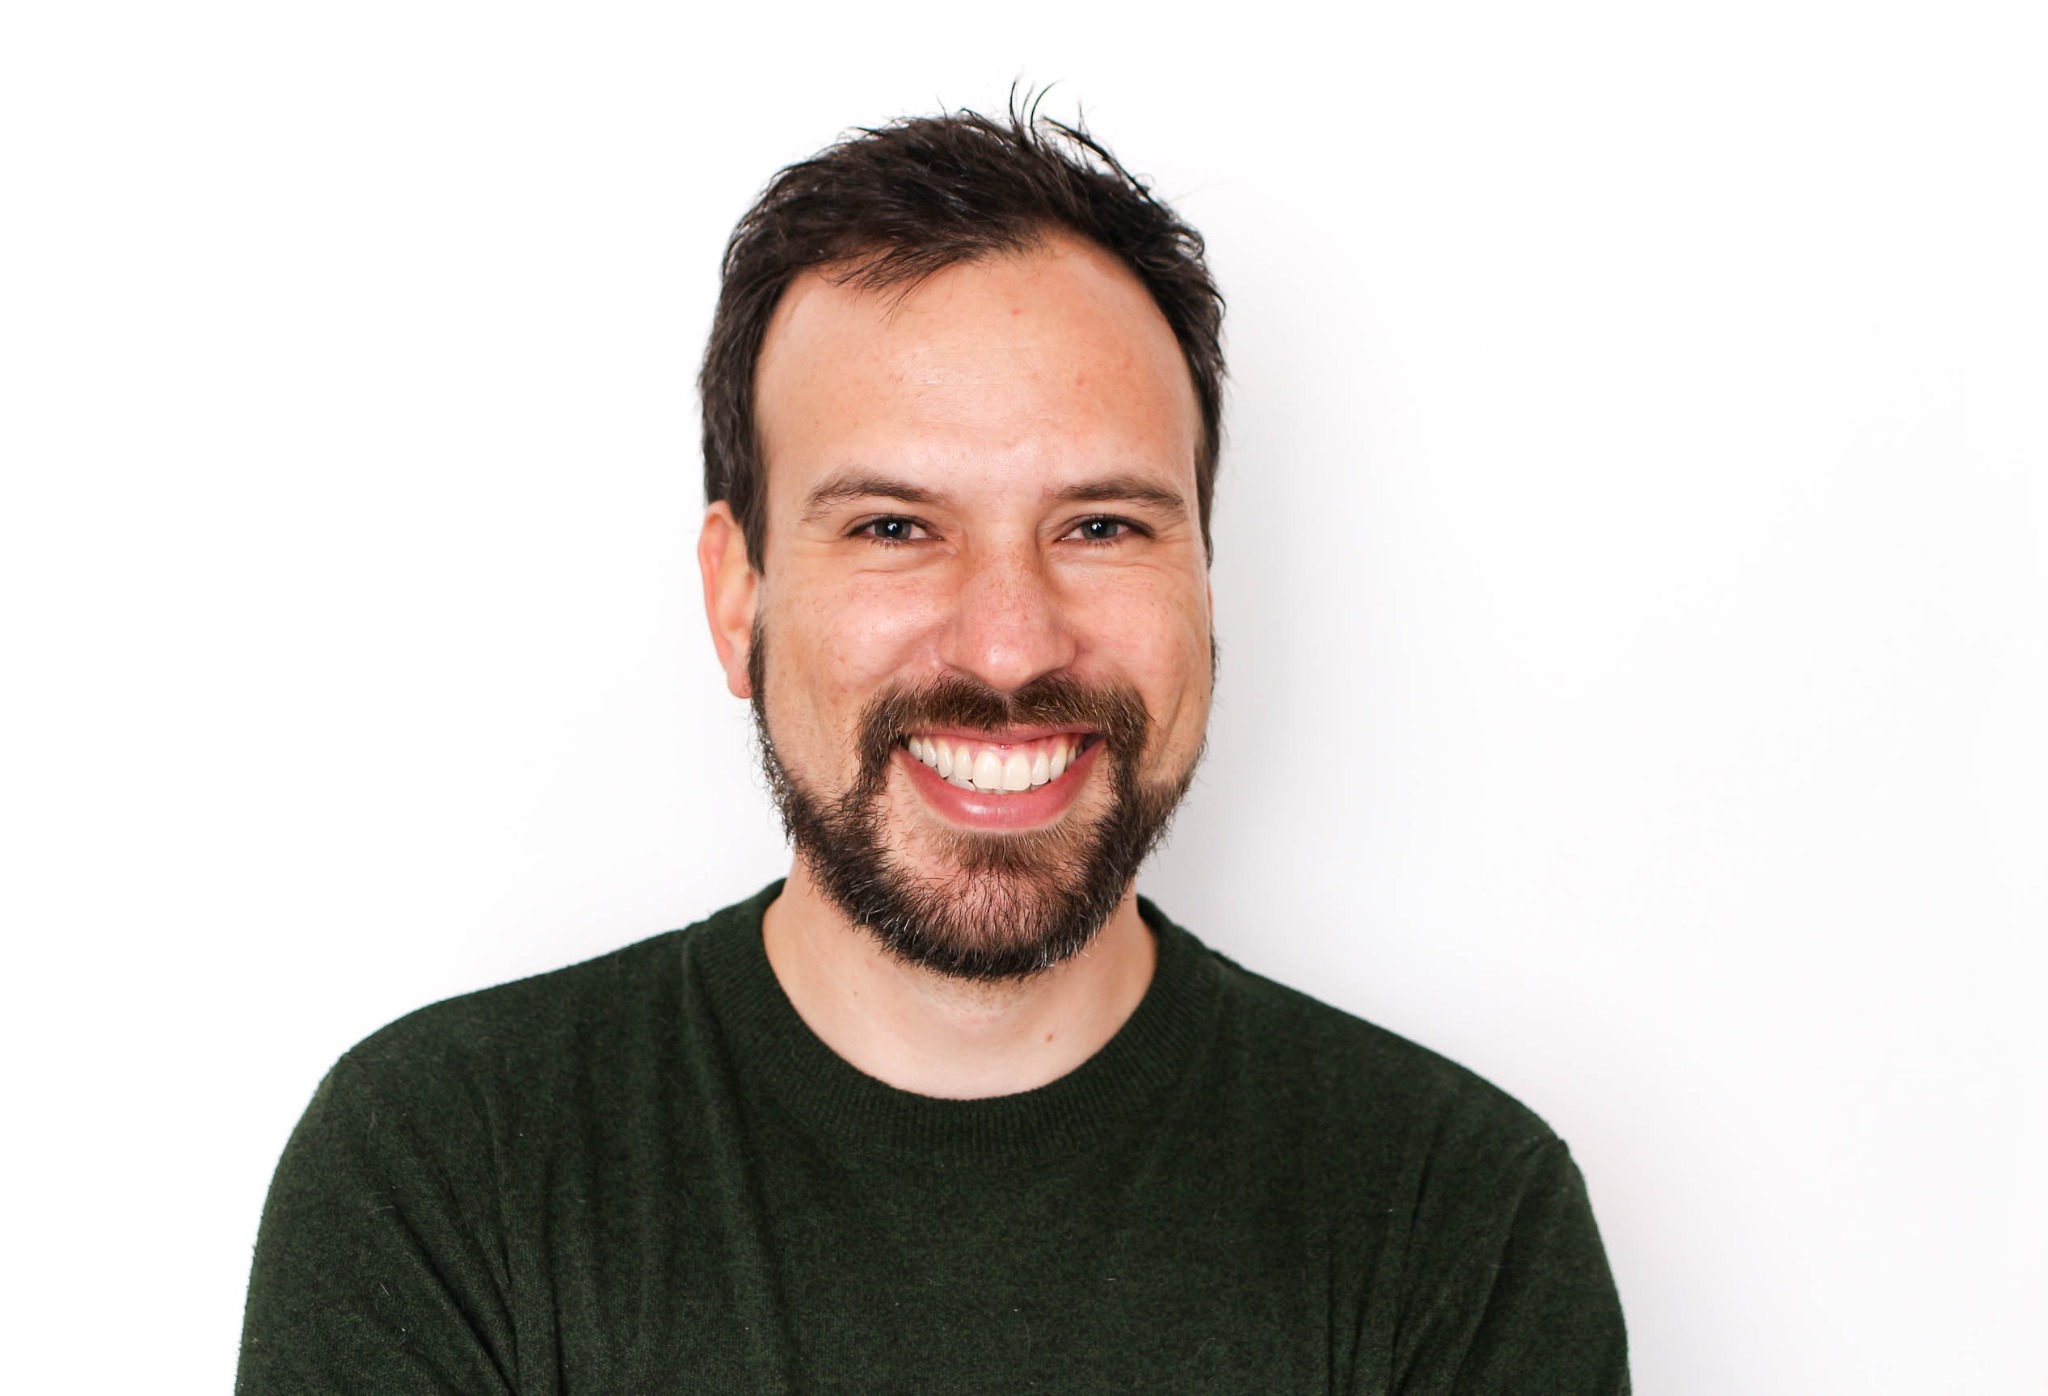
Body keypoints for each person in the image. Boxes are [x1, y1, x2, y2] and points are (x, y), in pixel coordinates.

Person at [238, 106, 1629, 1393]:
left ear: (1207, 582)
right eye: (895, 527)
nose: (1010, 647)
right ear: (739, 597)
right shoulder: (448, 1170)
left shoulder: (1455, 1217)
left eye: (1102, 526)